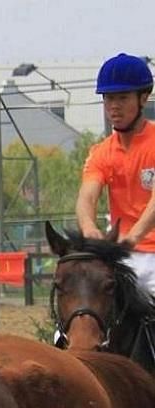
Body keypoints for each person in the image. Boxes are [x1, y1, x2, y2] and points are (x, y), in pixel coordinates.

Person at [76, 53, 155, 294]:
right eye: (109, 98)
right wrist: (89, 228)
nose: (114, 106)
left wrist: (133, 237)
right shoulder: (101, 152)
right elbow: (86, 197)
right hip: (122, 256)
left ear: (144, 97)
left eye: (122, 97)